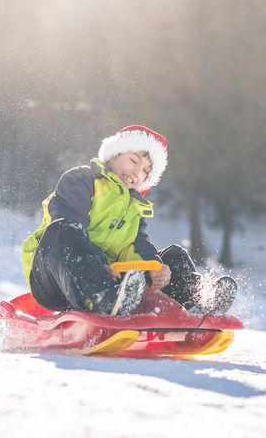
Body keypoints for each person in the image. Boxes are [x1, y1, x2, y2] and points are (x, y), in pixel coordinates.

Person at [21, 125, 236, 316]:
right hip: (54, 279)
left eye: (145, 171)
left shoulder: (135, 206)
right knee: (63, 229)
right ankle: (102, 299)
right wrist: (99, 265)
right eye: (133, 160)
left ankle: (194, 307)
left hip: (113, 281)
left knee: (174, 257)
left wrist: (155, 268)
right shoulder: (82, 179)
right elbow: (68, 226)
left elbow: (136, 246)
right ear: (114, 154)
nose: (137, 172)